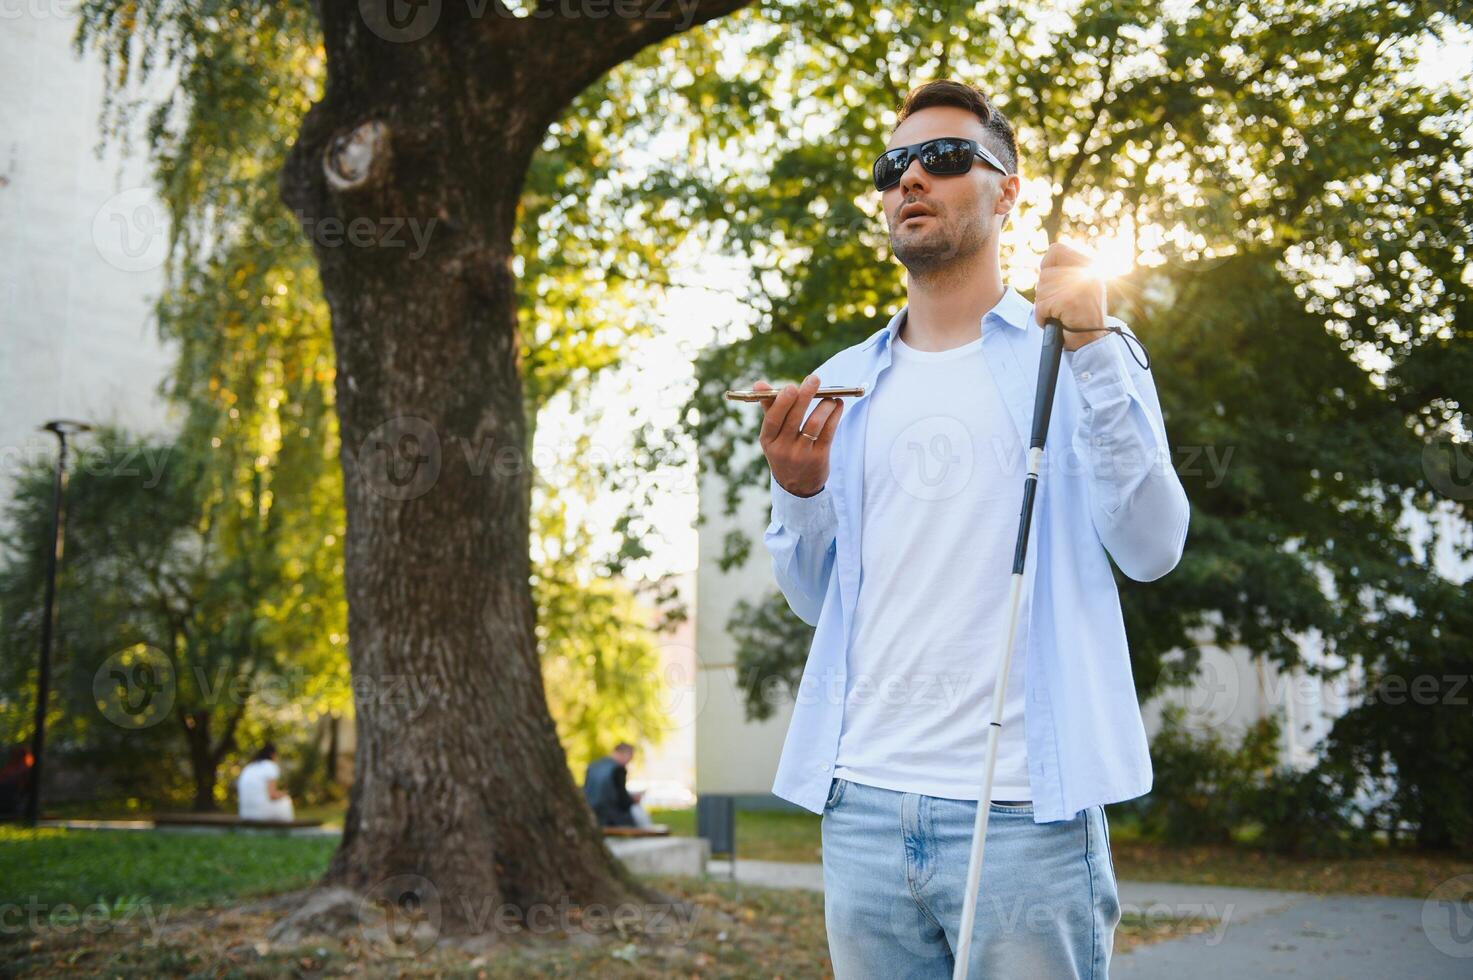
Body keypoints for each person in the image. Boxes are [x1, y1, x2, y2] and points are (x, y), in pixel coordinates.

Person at [754, 80, 1190, 977]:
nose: (912, 178)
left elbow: (1153, 548)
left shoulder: (1081, 348)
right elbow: (810, 603)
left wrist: (1096, 353)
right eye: (893, 166)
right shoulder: (842, 380)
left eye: (945, 157)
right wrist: (797, 494)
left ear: (1006, 191)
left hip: (1025, 813)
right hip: (863, 808)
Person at [583, 742, 645, 828]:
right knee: (641, 818)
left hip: (592, 815)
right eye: (630, 757)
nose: (629, 761)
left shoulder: (593, 766)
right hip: (612, 818)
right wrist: (634, 799)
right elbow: (623, 801)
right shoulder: (618, 769)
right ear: (623, 754)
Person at [236, 743, 295, 822]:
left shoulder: (249, 767)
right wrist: (284, 794)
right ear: (272, 754)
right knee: (286, 800)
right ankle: (287, 830)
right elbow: (272, 795)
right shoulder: (270, 766)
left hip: (245, 813)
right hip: (261, 813)